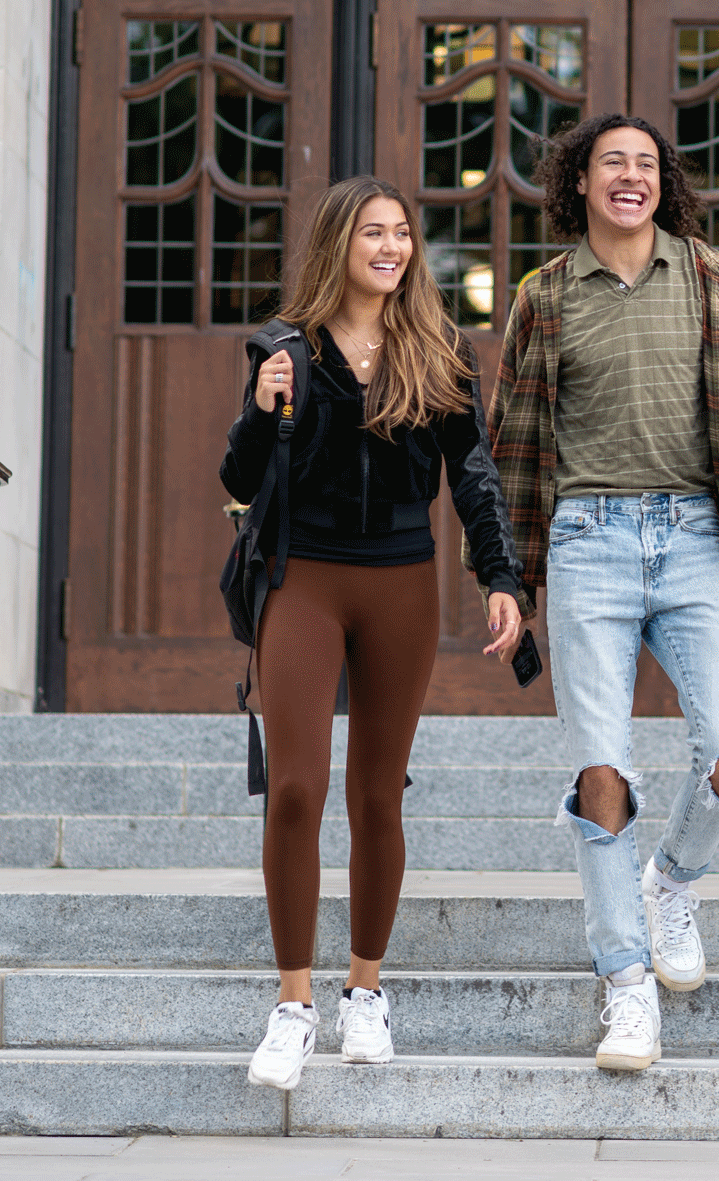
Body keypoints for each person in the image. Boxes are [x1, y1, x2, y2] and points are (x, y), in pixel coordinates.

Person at [476, 112, 719, 1071]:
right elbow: (514, 443)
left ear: (665, 184)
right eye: (612, 163)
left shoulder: (712, 277)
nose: (632, 176)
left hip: (696, 535)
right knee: (601, 771)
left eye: (647, 165)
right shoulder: (543, 295)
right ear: (578, 181)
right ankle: (626, 988)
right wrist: (507, 577)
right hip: (586, 541)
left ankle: (672, 879)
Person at [220, 176, 523, 1090]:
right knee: (296, 789)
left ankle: (365, 993)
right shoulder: (287, 348)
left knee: (379, 796)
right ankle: (292, 1005)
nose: (389, 247)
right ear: (337, 245)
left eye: (400, 234)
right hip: (303, 580)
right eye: (371, 234)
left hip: (400, 585)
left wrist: (500, 576)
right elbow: (237, 477)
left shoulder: (439, 351)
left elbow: (472, 475)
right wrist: (261, 404)